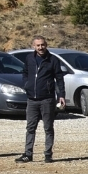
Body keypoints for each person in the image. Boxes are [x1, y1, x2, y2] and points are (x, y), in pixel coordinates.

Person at [16, 35, 66, 163]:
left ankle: (48, 154)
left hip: (47, 99)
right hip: (32, 99)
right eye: (38, 45)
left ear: (46, 45)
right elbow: (25, 72)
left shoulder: (53, 60)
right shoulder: (29, 58)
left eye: (42, 45)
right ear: (34, 46)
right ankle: (28, 154)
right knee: (30, 127)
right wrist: (26, 84)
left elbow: (59, 79)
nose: (40, 47)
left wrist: (61, 96)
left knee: (48, 127)